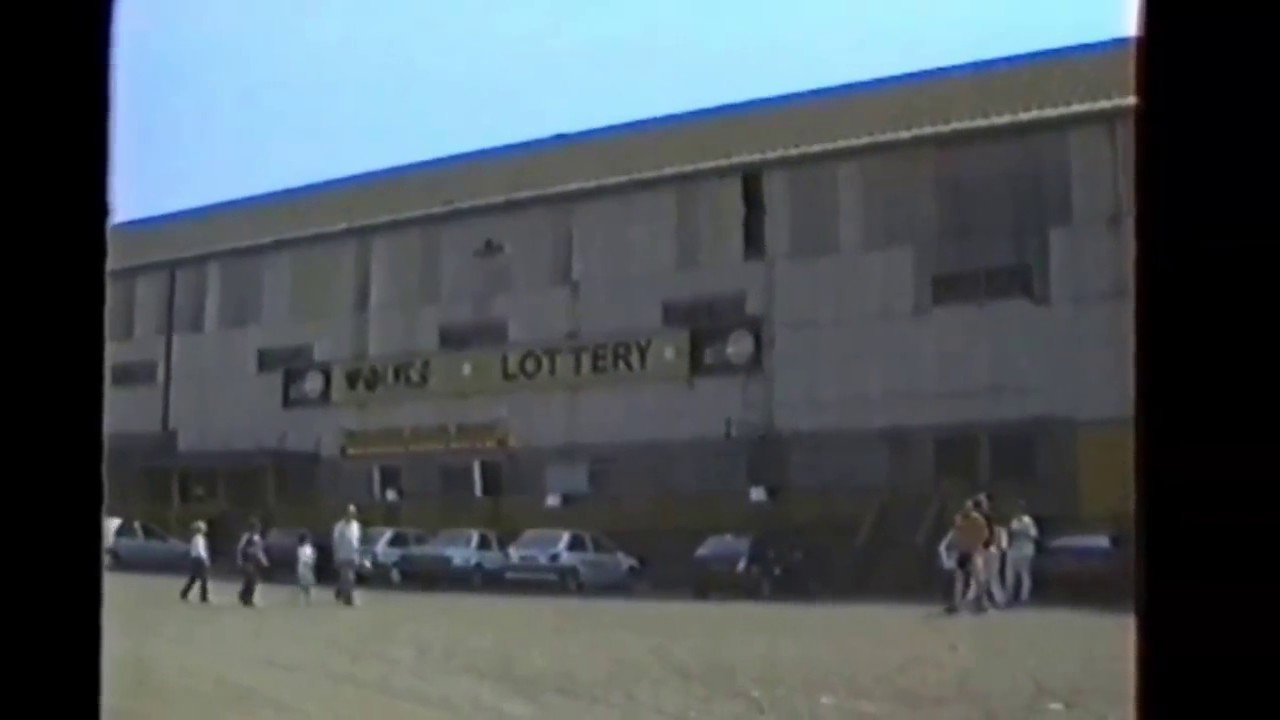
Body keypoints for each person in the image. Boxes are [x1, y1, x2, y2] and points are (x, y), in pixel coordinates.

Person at [943, 499, 992, 613]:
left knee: (979, 577)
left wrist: (977, 545)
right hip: (963, 552)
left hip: (974, 551)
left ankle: (983, 602)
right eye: (965, 507)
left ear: (972, 508)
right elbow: (956, 532)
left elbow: (984, 535)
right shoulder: (959, 518)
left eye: (968, 507)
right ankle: (956, 604)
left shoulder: (978, 520)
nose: (966, 509)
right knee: (959, 578)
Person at [1005, 501, 1040, 605]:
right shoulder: (1014, 521)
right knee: (1010, 573)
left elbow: (1034, 536)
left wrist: (1022, 532)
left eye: (1019, 508)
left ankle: (1024, 597)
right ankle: (1010, 596)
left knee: (1024, 573)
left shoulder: (1028, 521)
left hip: (1025, 550)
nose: (1017, 511)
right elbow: (1010, 534)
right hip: (1014, 549)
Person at [331, 505, 362, 607]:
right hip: (342, 556)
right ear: (345, 513)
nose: (351, 515)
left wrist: (358, 555)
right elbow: (335, 542)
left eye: (353, 513)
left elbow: (357, 541)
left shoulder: (356, 526)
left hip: (353, 556)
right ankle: (349, 599)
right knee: (348, 578)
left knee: (347, 578)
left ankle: (340, 591)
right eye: (350, 512)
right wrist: (336, 556)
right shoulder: (339, 526)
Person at [236, 518, 269, 608]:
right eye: (256, 527)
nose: (257, 529)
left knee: (251, 581)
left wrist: (263, 560)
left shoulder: (258, 538)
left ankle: (243, 596)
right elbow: (240, 548)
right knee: (251, 580)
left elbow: (259, 551)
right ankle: (248, 599)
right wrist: (239, 560)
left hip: (255, 562)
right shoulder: (246, 536)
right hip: (247, 561)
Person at [179, 520, 211, 604]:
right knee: (204, 579)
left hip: (195, 559)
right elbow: (200, 550)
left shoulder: (195, 538)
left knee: (193, 578)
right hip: (199, 559)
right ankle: (204, 597)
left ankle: (184, 593)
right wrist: (205, 559)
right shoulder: (199, 538)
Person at [296, 531, 317, 604]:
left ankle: (304, 599)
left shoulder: (300, 548)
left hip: (301, 567)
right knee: (309, 584)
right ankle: (308, 600)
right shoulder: (307, 547)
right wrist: (313, 556)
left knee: (304, 585)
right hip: (306, 566)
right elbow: (308, 557)